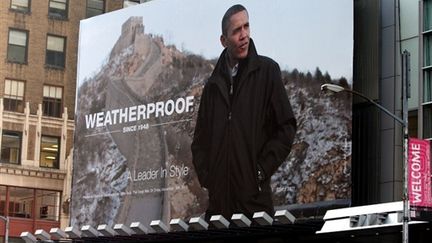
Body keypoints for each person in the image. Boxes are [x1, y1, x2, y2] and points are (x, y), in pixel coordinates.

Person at [191, 4, 297, 221]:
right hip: (218, 210)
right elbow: (200, 143)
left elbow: (286, 127)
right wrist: (210, 180)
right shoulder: (213, 86)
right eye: (236, 31)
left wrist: (259, 171)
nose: (244, 35)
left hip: (255, 206)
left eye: (246, 26)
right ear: (223, 40)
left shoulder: (268, 72)